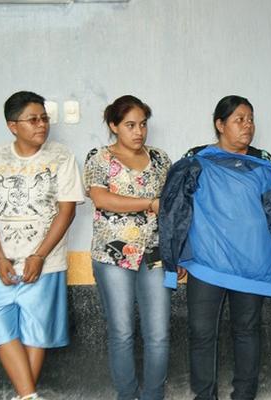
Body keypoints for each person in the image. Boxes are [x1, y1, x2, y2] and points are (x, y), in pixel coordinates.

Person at [159, 95, 271, 400]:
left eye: (250, 119)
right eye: (239, 119)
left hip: (251, 266)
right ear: (220, 124)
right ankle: (205, 396)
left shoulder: (263, 165)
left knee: (247, 331)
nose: (248, 125)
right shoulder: (195, 163)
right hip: (207, 264)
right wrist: (171, 257)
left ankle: (244, 395)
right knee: (201, 334)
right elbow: (175, 211)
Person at [0, 91, 84, 400]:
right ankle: (29, 396)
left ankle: (25, 396)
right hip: (2, 261)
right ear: (12, 125)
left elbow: (67, 210)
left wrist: (39, 255)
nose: (41, 125)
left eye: (44, 118)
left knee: (37, 332)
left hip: (45, 261)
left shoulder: (62, 157)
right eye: (33, 119)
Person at [83, 95, 172, 400]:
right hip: (113, 256)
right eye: (130, 125)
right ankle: (127, 394)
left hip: (156, 254)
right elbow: (101, 199)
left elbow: (172, 207)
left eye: (143, 124)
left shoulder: (160, 159)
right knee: (122, 333)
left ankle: (153, 395)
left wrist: (178, 251)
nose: (139, 132)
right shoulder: (99, 158)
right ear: (113, 126)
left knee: (158, 335)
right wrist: (149, 203)